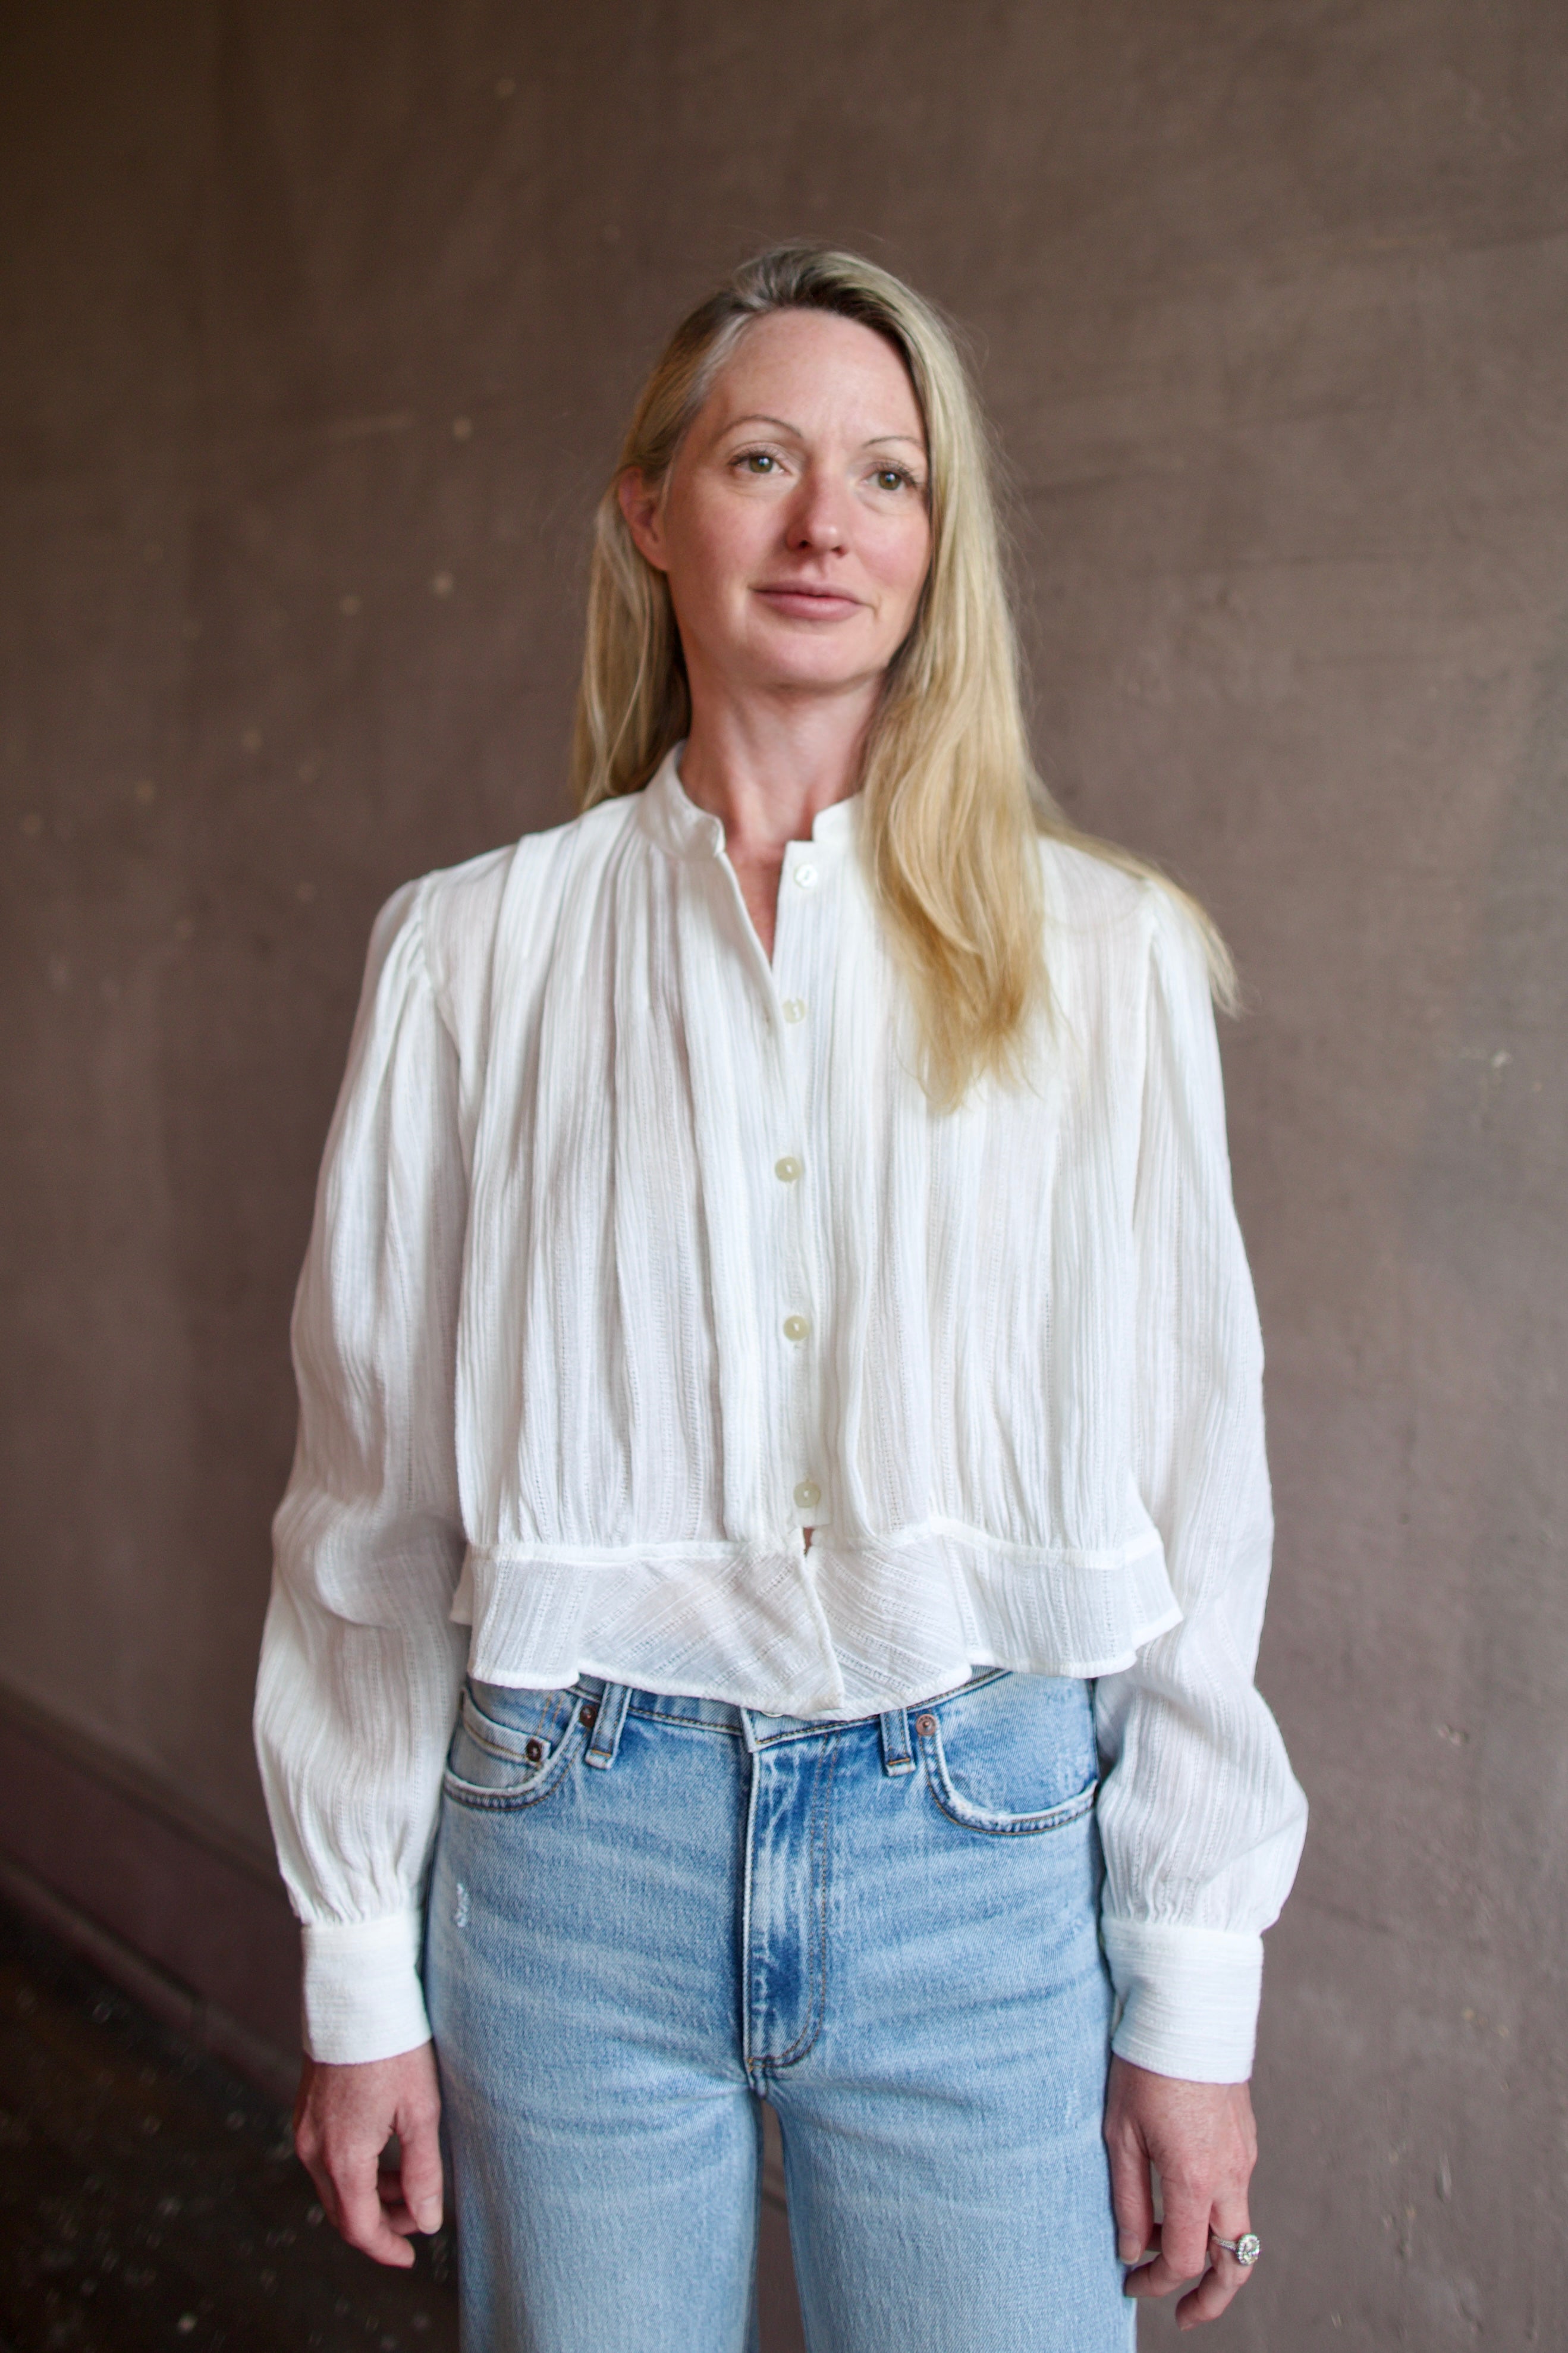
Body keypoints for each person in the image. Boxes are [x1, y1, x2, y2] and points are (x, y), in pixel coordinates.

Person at [254, 244, 1307, 2351]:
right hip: (568, 1864)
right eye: (763, 459)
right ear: (652, 510)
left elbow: (1200, 1497)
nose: (830, 523)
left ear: (937, 539)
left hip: (980, 1857)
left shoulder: (1105, 964)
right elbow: (367, 1508)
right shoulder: (471, 957)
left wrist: (1191, 1996)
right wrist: (359, 1968)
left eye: (888, 475)